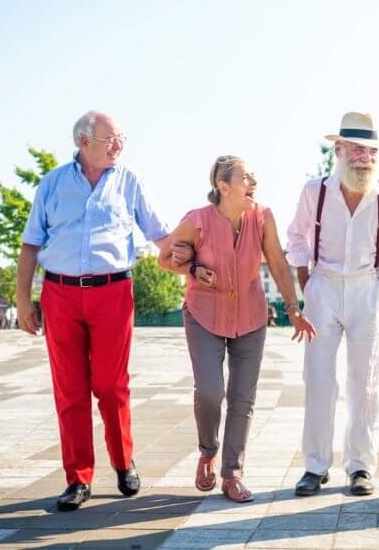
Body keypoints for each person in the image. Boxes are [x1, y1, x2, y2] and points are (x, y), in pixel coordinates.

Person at [16, 111, 191, 512]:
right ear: (84, 142)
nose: (119, 146)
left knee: (112, 386)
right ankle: (78, 478)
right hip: (60, 293)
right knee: (70, 390)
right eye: (111, 139)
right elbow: (30, 245)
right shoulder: (52, 184)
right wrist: (24, 300)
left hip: (113, 292)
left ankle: (123, 460)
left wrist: (190, 257)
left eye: (120, 138)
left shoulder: (129, 181)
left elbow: (160, 234)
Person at [158, 156, 316, 503]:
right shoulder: (196, 220)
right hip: (204, 315)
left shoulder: (262, 216)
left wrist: (292, 307)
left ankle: (232, 473)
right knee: (211, 390)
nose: (253, 181)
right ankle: (207, 450)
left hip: (251, 317)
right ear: (223, 186)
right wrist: (193, 267)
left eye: (253, 176)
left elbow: (276, 260)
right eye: (246, 177)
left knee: (243, 398)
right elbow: (164, 258)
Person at [286, 112, 379, 497]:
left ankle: (360, 467)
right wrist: (308, 285)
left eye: (370, 150)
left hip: (366, 289)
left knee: (365, 383)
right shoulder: (314, 191)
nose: (364, 157)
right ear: (338, 150)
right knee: (319, 379)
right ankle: (315, 467)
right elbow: (297, 238)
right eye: (356, 149)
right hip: (322, 286)